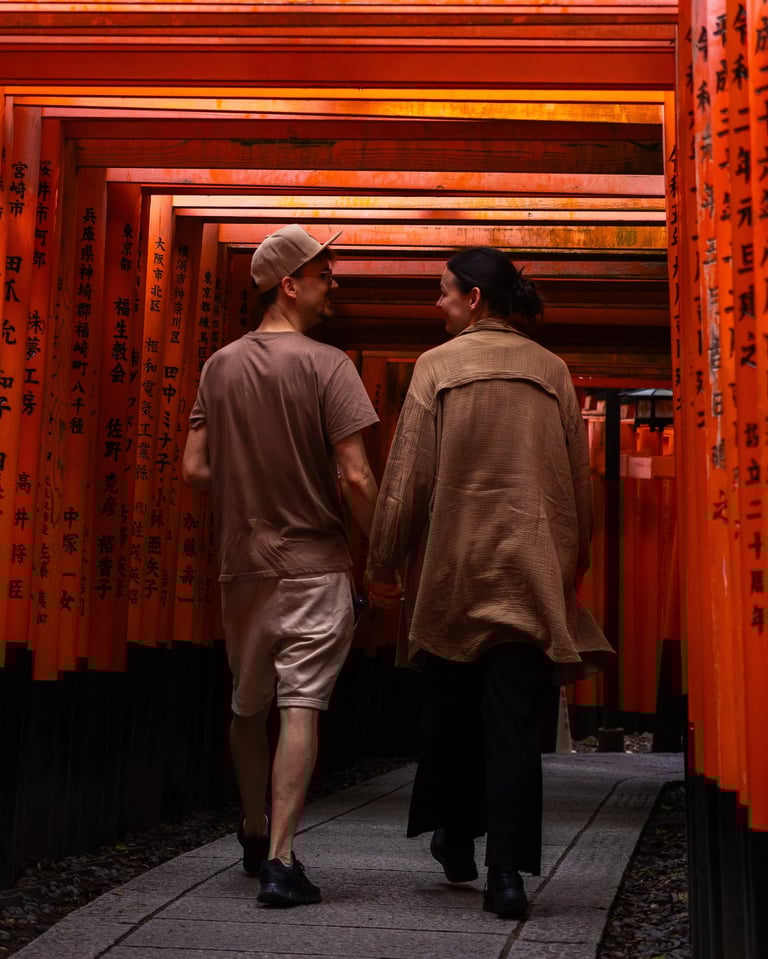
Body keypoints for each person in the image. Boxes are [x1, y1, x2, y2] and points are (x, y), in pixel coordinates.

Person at [366, 246, 613, 919]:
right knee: (511, 724)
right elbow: (578, 487)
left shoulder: (436, 367)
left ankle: (452, 835)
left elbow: (408, 476)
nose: (436, 302)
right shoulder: (554, 371)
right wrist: (571, 561)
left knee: (450, 715)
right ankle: (506, 872)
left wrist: (384, 557)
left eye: (443, 291)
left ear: (475, 298)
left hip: (454, 569)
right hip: (529, 572)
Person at [182, 224, 380, 907]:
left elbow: (194, 465)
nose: (335, 285)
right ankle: (281, 858)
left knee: (248, 702)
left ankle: (250, 823)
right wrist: (381, 546)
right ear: (290, 283)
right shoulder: (330, 366)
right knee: (302, 702)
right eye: (326, 273)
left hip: (241, 565)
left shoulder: (219, 365)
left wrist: (252, 477)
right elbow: (355, 476)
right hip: (316, 562)